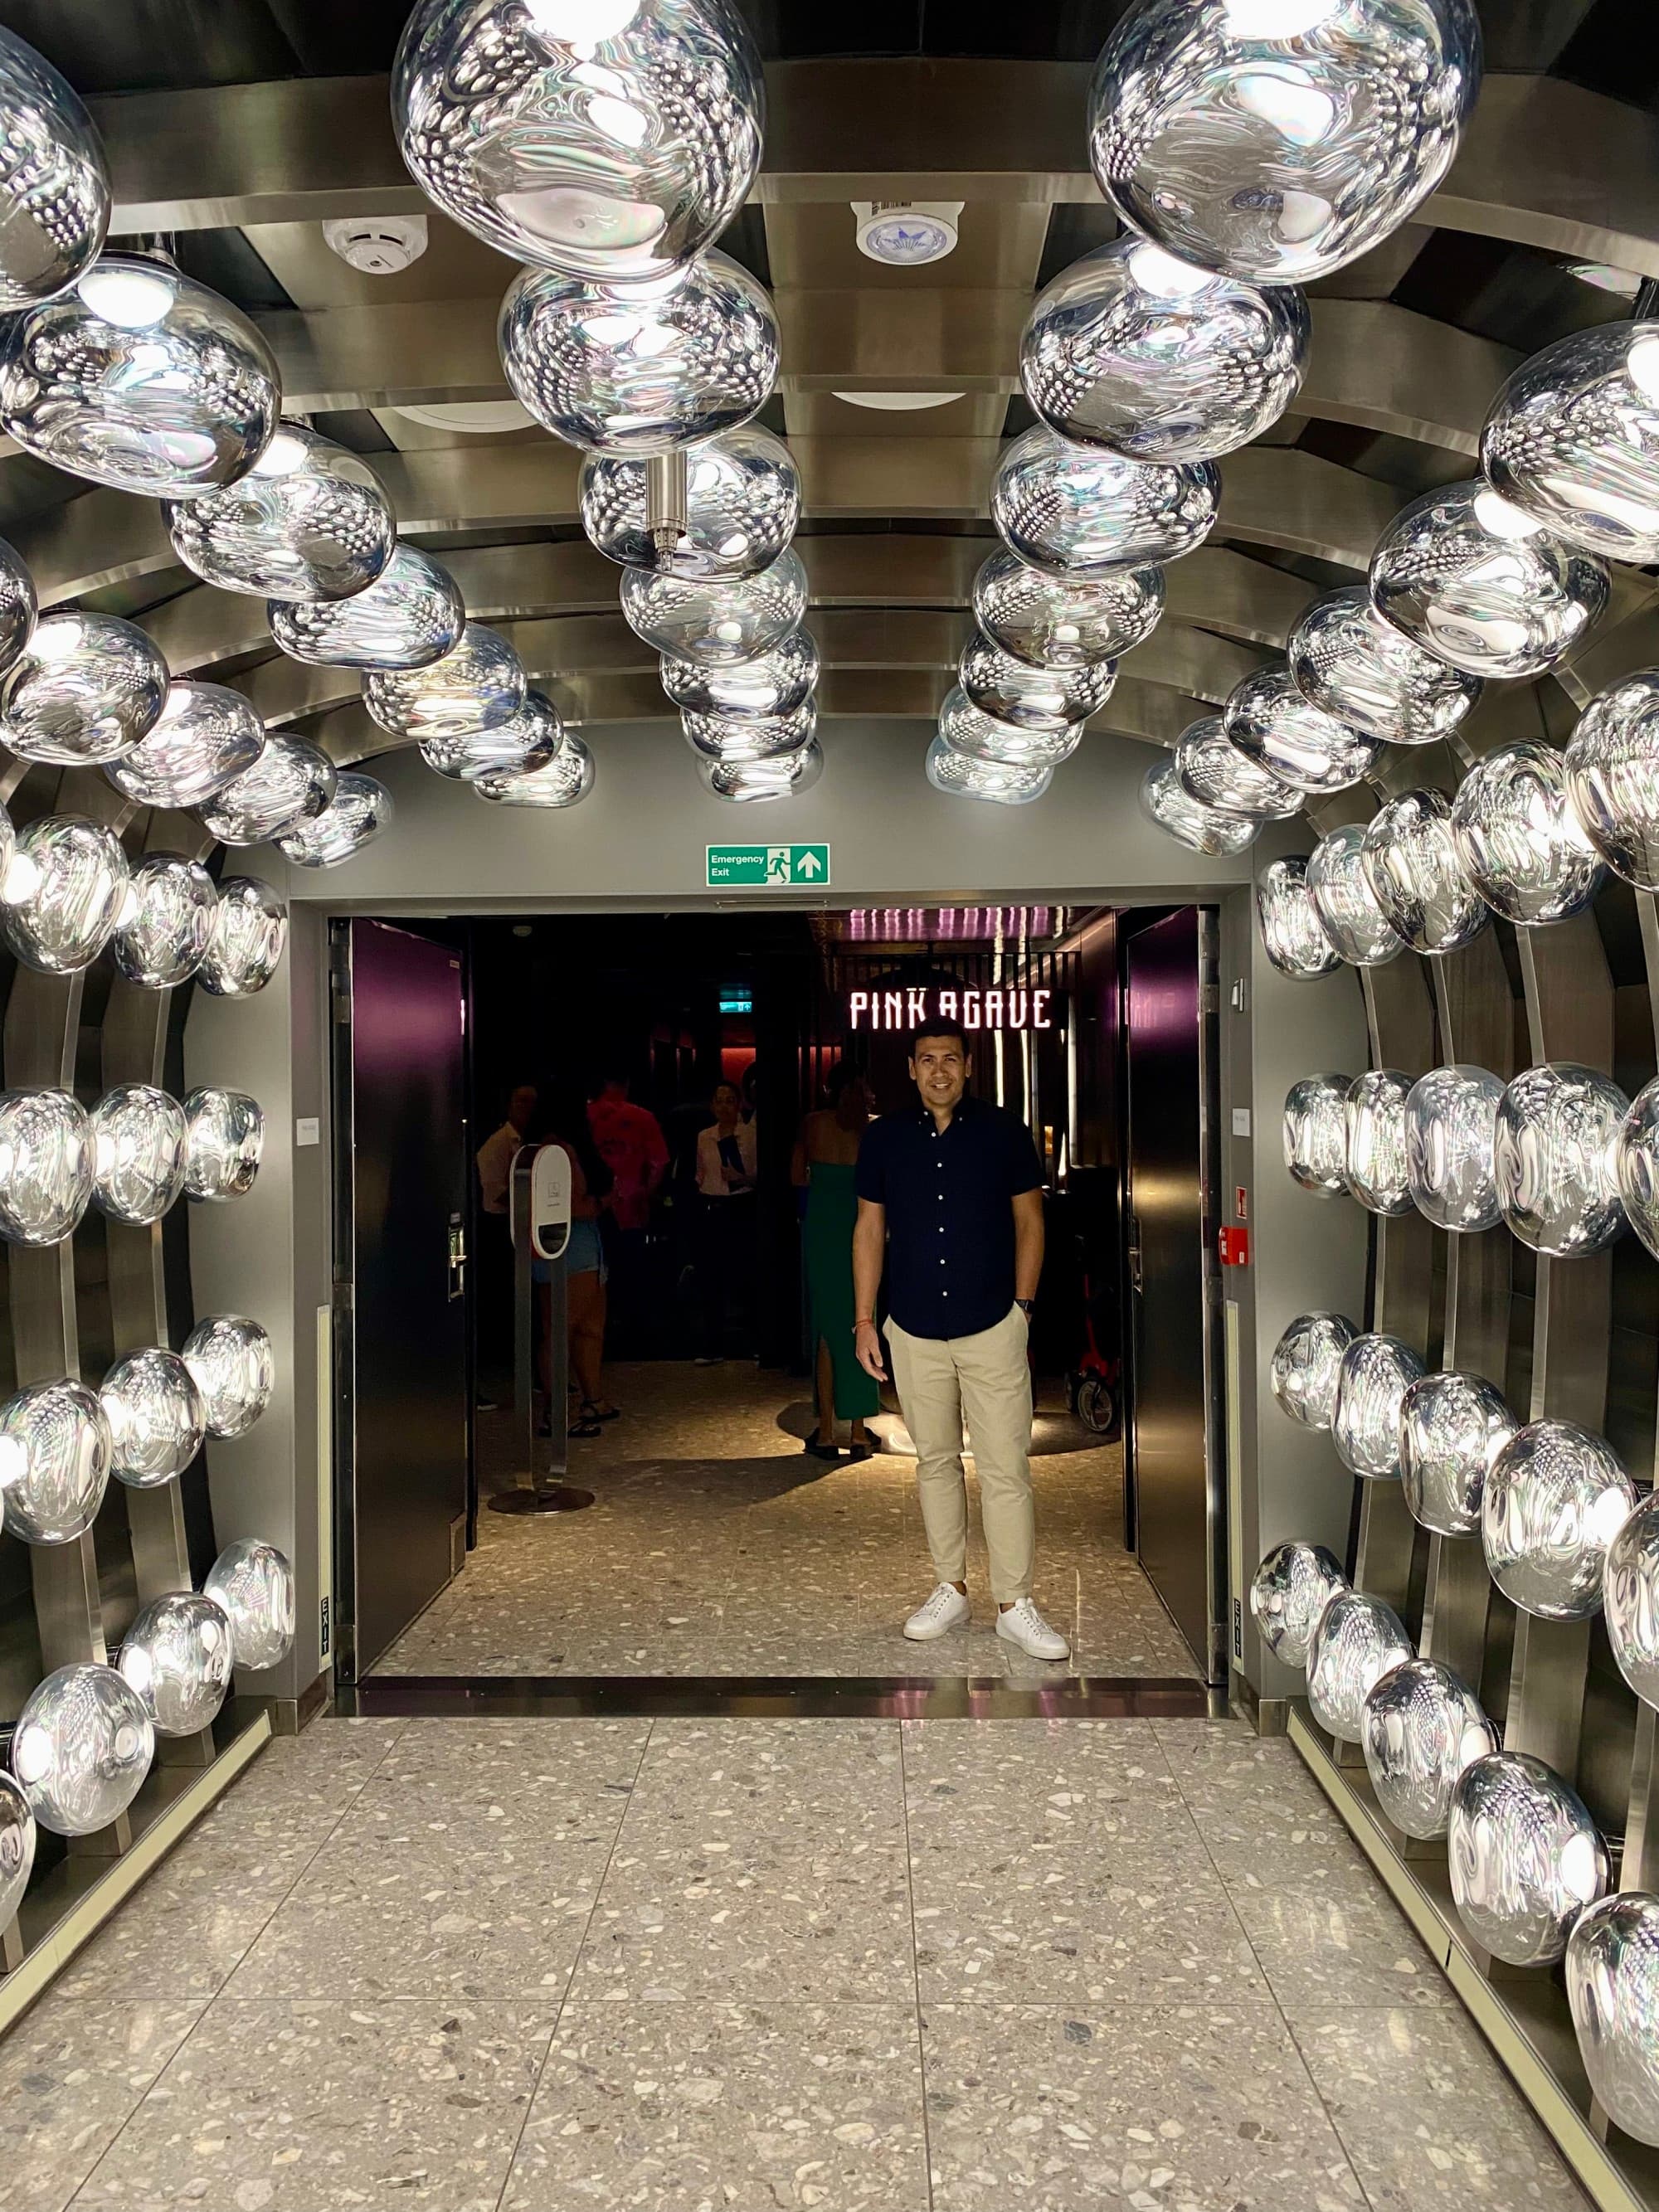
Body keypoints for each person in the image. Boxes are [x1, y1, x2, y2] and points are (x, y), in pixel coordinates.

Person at [852, 1021, 1069, 1661]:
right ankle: (950, 1586)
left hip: (991, 1324)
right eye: (927, 1060)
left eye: (950, 1058)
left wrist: (1022, 1310)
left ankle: (1014, 1603)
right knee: (935, 1462)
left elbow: (1031, 1221)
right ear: (912, 1070)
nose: (939, 1070)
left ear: (969, 1065)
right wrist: (866, 1320)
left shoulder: (1004, 1132)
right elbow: (869, 1230)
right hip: (913, 1328)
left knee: (1006, 1468)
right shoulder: (884, 1137)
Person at [791, 1062, 878, 1460]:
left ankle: (826, 1431)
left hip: (822, 1228)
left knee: (827, 1331)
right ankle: (859, 1432)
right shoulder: (871, 1130)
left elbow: (796, 1177)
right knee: (862, 1323)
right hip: (861, 1225)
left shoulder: (812, 1124)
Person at [523, 1085, 618, 1438]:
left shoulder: (547, 1147)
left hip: (580, 1247)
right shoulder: (558, 1149)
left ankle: (592, 1399)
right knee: (560, 1331)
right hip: (568, 1248)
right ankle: (557, 1412)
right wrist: (605, 1202)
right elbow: (573, 1207)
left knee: (588, 1328)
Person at [586, 1066, 669, 1348]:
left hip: (594, 1205)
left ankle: (602, 1330)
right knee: (632, 1271)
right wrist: (647, 1193)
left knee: (595, 1272)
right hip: (633, 1205)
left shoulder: (588, 1116)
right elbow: (658, 1162)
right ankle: (634, 1330)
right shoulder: (642, 1117)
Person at [474, 1082, 536, 1410]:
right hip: (499, 1225)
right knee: (500, 1300)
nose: (527, 1107)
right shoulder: (498, 1144)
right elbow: (493, 1190)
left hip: (522, 1225)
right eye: (521, 1101)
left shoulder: (530, 1142)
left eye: (532, 1102)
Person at [693, 1078, 757, 1364]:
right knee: (710, 1276)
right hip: (712, 1204)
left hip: (741, 1204)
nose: (724, 1106)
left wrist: (742, 1178)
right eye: (719, 1101)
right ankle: (712, 1344)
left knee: (744, 1274)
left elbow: (761, 1175)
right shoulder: (704, 1136)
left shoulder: (750, 1134)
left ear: (739, 1103)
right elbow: (700, 1171)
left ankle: (751, 1341)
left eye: (729, 1100)